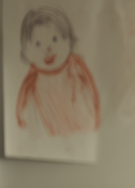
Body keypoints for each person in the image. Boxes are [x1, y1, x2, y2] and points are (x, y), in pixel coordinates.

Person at [16, 6, 100, 136]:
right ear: (27, 51)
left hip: (82, 126)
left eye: (55, 39)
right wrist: (20, 119)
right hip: (51, 131)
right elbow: (23, 99)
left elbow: (91, 88)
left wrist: (95, 115)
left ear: (69, 40)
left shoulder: (74, 64)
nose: (48, 49)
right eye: (38, 44)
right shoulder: (34, 75)